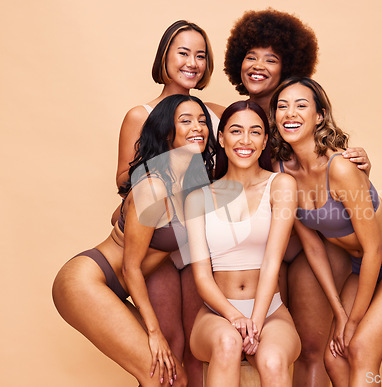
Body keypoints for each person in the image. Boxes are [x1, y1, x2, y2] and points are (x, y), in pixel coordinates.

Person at [224, 9, 371, 386]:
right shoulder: (230, 120)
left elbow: (339, 178)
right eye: (250, 56)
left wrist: (362, 166)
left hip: (308, 248)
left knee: (311, 346)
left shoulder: (298, 118)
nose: (257, 66)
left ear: (288, 66)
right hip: (254, 253)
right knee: (263, 350)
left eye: (271, 59)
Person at [269, 77, 382, 387]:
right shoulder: (282, 173)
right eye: (282, 106)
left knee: (360, 347)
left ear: (319, 116)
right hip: (361, 266)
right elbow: (314, 248)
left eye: (301, 105)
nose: (290, 113)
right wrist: (340, 313)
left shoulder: (341, 168)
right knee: (335, 356)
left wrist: (354, 320)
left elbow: (374, 249)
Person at [53, 94, 216, 387]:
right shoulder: (153, 187)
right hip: (87, 282)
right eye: (186, 120)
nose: (198, 127)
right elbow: (130, 267)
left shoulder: (188, 183)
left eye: (203, 121)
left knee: (172, 377)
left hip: (112, 288)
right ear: (167, 131)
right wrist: (154, 332)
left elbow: (116, 215)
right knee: (159, 375)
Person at [114, 20, 224, 386]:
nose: (192, 62)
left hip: (198, 240)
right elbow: (123, 180)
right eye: (183, 52)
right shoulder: (141, 114)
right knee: (167, 343)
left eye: (201, 55)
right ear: (164, 56)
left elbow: (256, 141)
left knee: (196, 343)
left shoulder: (213, 112)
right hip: (159, 241)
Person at [186, 101, 301, 387]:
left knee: (272, 361)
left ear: (265, 142)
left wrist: (256, 323)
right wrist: (236, 317)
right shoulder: (197, 198)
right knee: (227, 343)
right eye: (236, 131)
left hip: (271, 312)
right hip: (217, 314)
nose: (245, 141)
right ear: (222, 138)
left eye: (255, 132)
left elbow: (273, 262)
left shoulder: (281, 186)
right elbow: (201, 277)